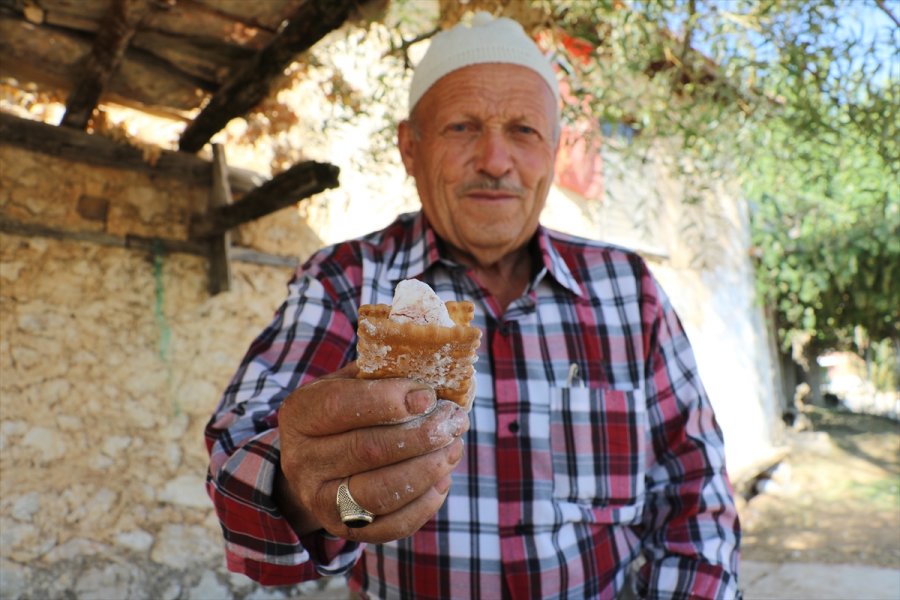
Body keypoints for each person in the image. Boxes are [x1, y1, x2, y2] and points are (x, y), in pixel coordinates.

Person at [205, 12, 742, 600]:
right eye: (462, 127)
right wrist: (298, 485)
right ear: (410, 148)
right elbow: (239, 461)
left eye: (524, 131)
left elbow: (697, 492)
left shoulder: (627, 288)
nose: (493, 160)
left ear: (555, 150)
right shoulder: (346, 280)